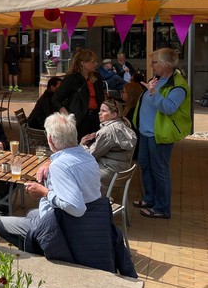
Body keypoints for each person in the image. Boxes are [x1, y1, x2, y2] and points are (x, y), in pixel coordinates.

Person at [0, 112, 101, 249]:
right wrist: (49, 164)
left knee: (1, 224)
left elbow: (76, 208)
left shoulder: (60, 166)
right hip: (89, 219)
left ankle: (45, 249)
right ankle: (37, 240)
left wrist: (44, 192)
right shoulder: (88, 157)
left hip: (64, 225)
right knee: (30, 213)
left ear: (50, 139)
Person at [133, 48, 191, 220]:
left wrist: (153, 93)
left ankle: (162, 208)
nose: (151, 65)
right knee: (145, 165)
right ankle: (150, 199)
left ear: (166, 64)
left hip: (160, 134)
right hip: (146, 132)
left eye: (154, 62)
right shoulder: (157, 79)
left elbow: (169, 108)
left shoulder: (178, 86)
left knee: (159, 170)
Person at [80, 99, 136, 189]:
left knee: (76, 170)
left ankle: (87, 197)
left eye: (103, 111)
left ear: (114, 114)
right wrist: (97, 135)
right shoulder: (126, 128)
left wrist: (82, 145)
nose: (99, 113)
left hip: (108, 174)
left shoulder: (107, 131)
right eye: (100, 110)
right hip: (121, 172)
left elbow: (90, 156)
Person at [52, 48, 105, 141]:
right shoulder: (71, 79)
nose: (96, 64)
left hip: (96, 118)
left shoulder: (97, 77)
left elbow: (101, 98)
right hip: (79, 120)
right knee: (80, 144)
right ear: (83, 63)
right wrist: (66, 114)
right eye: (93, 62)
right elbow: (56, 99)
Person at [122, 81, 143, 159]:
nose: (122, 94)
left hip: (133, 147)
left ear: (130, 94)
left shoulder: (132, 111)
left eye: (123, 92)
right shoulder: (129, 108)